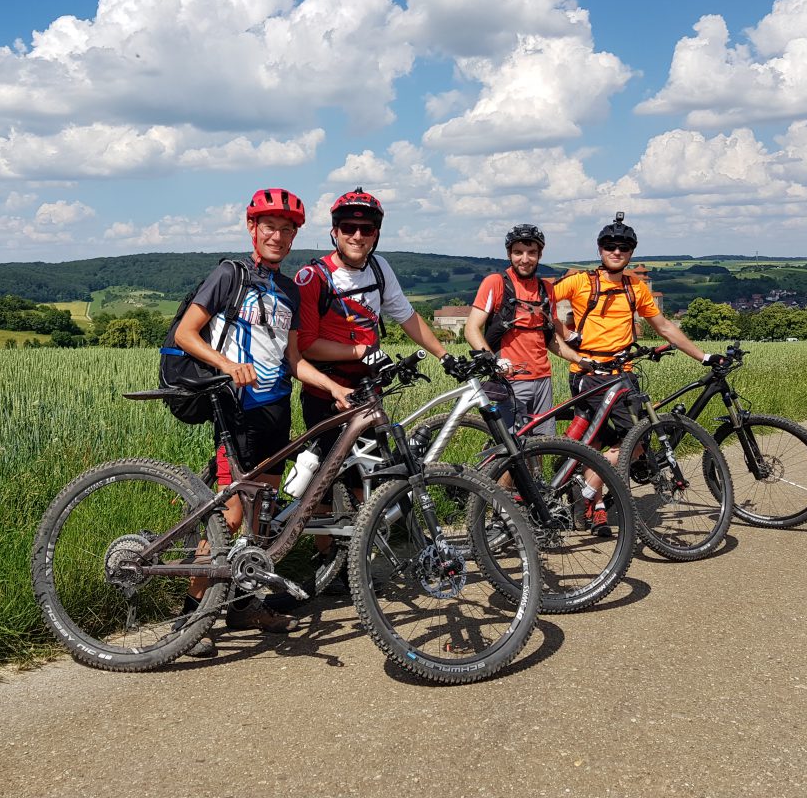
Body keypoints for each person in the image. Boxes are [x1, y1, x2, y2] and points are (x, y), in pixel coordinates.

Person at [174, 187, 352, 657]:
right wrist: (226, 365)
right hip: (236, 411)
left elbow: (294, 359)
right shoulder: (229, 275)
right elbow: (185, 333)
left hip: (276, 409)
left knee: (259, 518)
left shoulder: (290, 289)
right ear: (252, 228)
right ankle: (190, 617)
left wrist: (332, 387)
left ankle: (241, 604)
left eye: (287, 229)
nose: (278, 235)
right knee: (230, 515)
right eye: (269, 226)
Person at [293, 188, 457, 590]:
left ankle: (362, 560)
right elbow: (307, 343)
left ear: (376, 234)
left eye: (366, 229)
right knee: (324, 484)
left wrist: (444, 356)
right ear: (334, 232)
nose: (357, 235)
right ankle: (327, 564)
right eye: (348, 227)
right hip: (327, 391)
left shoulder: (379, 269)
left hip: (369, 393)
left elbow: (406, 316)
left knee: (372, 479)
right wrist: (363, 349)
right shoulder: (314, 277)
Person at [553, 212, 726, 535]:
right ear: (600, 249)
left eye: (623, 247)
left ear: (631, 251)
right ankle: (589, 497)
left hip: (624, 373)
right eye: (609, 246)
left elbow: (663, 326)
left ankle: (592, 498)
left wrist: (702, 356)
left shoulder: (636, 288)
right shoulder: (581, 281)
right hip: (589, 372)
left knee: (622, 441)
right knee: (624, 440)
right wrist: (565, 333)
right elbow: (541, 300)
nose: (616, 252)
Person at [464, 223, 571, 439]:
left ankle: (538, 476)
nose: (525, 259)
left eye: (532, 253)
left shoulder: (546, 289)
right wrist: (494, 362)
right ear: (509, 254)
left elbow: (551, 340)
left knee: (542, 444)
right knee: (512, 450)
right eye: (518, 252)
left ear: (540, 254)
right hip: (510, 379)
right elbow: (471, 329)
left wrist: (581, 359)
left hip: (543, 380)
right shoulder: (496, 283)